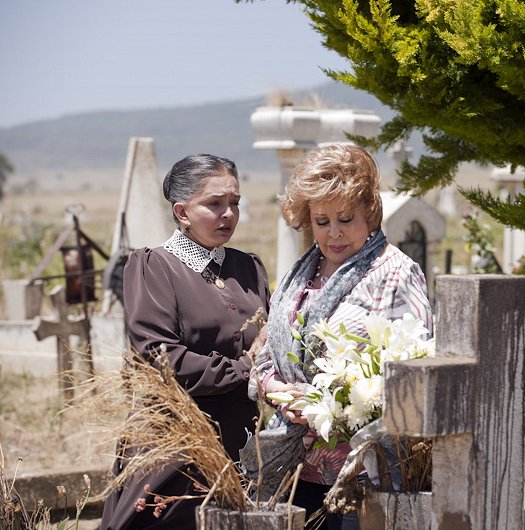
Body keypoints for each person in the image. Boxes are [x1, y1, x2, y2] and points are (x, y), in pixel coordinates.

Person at [245, 144, 432, 530]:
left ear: (370, 213)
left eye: (346, 218)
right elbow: (265, 358)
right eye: (321, 220)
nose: (333, 233)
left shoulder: (395, 273)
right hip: (293, 466)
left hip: (364, 471)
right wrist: (283, 395)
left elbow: (414, 368)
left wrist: (326, 403)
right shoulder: (300, 275)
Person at [100, 154, 270, 530]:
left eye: (234, 203)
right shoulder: (153, 267)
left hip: (240, 444)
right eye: (214, 204)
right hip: (176, 449)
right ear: (182, 212)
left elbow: (271, 339)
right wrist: (247, 369)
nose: (228, 213)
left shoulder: (249, 267)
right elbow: (162, 358)